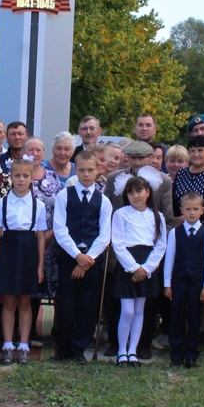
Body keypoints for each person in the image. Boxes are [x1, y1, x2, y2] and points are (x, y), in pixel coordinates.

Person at [103, 140, 174, 359]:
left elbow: (167, 217)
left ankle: (142, 343)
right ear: (127, 159)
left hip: (149, 248)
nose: (137, 162)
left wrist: (155, 258)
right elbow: (107, 211)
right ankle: (117, 343)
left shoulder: (162, 181)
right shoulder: (115, 178)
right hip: (120, 250)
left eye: (142, 158)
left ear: (151, 158)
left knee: (146, 303)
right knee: (118, 302)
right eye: (133, 158)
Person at [50, 150, 113, 364]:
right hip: (69, 256)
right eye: (82, 170)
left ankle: (78, 349)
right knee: (67, 304)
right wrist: (77, 255)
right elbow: (59, 229)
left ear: (98, 171)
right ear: (76, 170)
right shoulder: (63, 196)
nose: (86, 174)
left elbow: (105, 235)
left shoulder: (103, 201)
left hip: (92, 260)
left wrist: (87, 260)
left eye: (90, 170)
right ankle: (64, 347)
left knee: (87, 305)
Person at [0, 159, 48, 365]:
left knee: (25, 301)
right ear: (10, 177)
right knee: (8, 301)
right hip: (8, 251)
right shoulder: (1, 203)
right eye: (17, 176)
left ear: (32, 178)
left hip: (28, 252)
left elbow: (41, 236)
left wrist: (40, 265)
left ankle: (23, 344)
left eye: (25, 176)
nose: (21, 180)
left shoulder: (38, 205)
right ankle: (8, 343)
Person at [172, 134, 204, 343]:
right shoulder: (182, 174)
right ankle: (181, 327)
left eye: (200, 150)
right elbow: (177, 201)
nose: (196, 154)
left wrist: (191, 218)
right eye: (192, 150)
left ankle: (201, 328)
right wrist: (181, 219)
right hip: (182, 233)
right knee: (183, 277)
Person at [112, 176, 167, 367]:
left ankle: (133, 351)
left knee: (139, 310)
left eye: (139, 191)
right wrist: (134, 267)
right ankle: (121, 351)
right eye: (131, 192)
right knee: (127, 310)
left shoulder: (156, 216)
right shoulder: (121, 214)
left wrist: (146, 268)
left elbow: (160, 244)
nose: (135, 196)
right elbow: (118, 243)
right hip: (128, 263)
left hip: (147, 264)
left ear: (148, 192)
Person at [164, 192, 204, 368]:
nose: (191, 213)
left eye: (195, 209)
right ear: (182, 210)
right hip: (178, 281)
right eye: (188, 209)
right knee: (176, 316)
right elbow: (169, 259)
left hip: (197, 282)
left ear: (202, 210)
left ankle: (191, 353)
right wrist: (167, 283)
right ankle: (176, 353)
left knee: (194, 317)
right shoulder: (174, 233)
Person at [25, 137, 63, 345]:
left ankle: (58, 330)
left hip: (50, 241)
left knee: (50, 285)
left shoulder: (53, 178)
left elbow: (60, 209)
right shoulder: (18, 176)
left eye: (39, 150)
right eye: (30, 150)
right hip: (26, 243)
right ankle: (29, 331)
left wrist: (50, 235)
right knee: (30, 286)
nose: (35, 154)